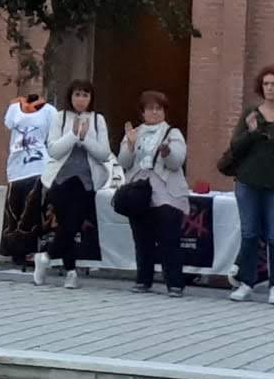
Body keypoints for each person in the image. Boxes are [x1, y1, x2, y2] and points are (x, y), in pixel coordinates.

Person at [221, 64, 274, 305]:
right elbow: (236, 147)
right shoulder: (251, 114)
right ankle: (246, 283)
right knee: (249, 233)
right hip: (248, 181)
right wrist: (252, 132)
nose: (269, 88)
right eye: (266, 84)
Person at [38, 80, 111, 289]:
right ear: (70, 97)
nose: (81, 99)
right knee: (65, 226)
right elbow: (53, 150)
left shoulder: (97, 119)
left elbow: (104, 154)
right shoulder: (60, 118)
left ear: (91, 98)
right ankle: (71, 273)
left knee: (72, 226)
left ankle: (45, 256)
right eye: (77, 94)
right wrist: (73, 135)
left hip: (86, 182)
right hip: (61, 180)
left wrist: (85, 138)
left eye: (85, 95)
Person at [120, 91, 190, 297]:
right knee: (142, 239)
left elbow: (177, 162)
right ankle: (143, 280)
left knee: (169, 238)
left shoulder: (173, 133)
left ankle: (175, 283)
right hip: (139, 193)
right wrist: (130, 144)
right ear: (142, 112)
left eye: (159, 108)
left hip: (167, 192)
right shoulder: (134, 133)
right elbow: (124, 162)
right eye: (150, 108)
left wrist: (167, 153)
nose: (155, 112)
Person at [0, 94, 56, 269]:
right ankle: (14, 249)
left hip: (38, 165)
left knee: (31, 208)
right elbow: (8, 124)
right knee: (14, 208)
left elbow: (53, 137)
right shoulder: (14, 108)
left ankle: (31, 249)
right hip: (16, 167)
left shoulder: (49, 111)